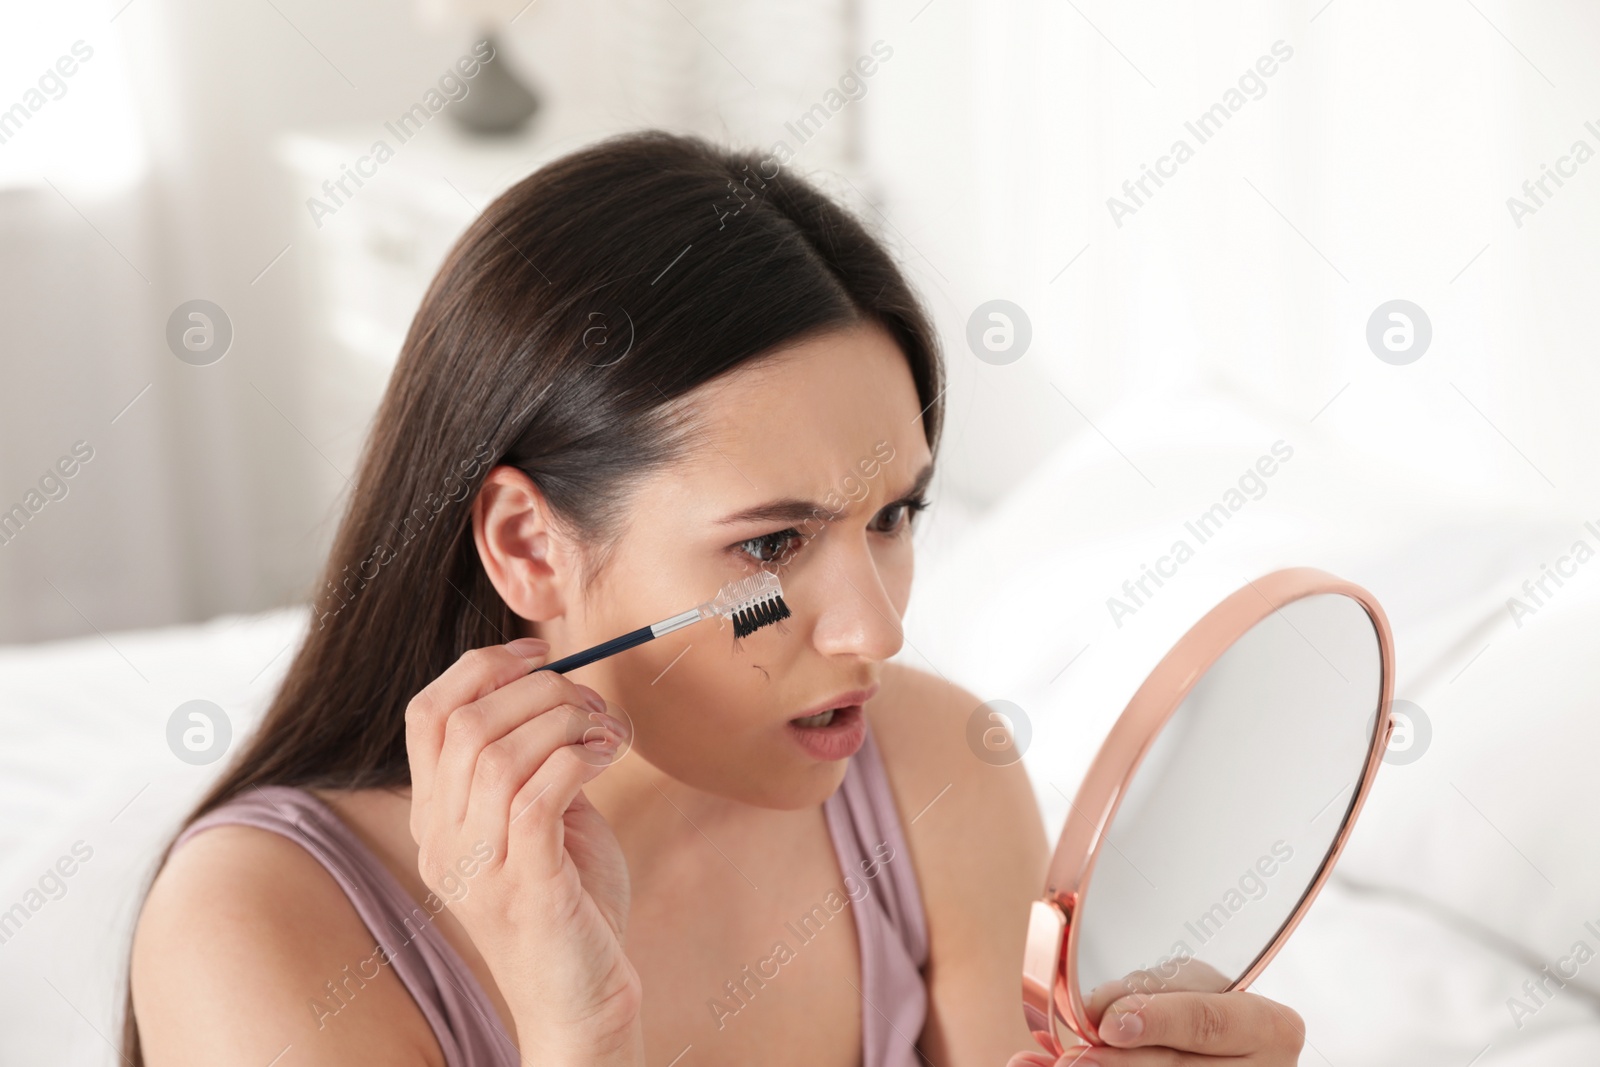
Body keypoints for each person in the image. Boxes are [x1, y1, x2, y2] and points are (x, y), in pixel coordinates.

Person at [126, 130, 1306, 1066]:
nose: (876, 629)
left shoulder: (937, 765)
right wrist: (577, 1031)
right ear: (529, 543)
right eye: (773, 543)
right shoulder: (253, 923)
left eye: (895, 514)